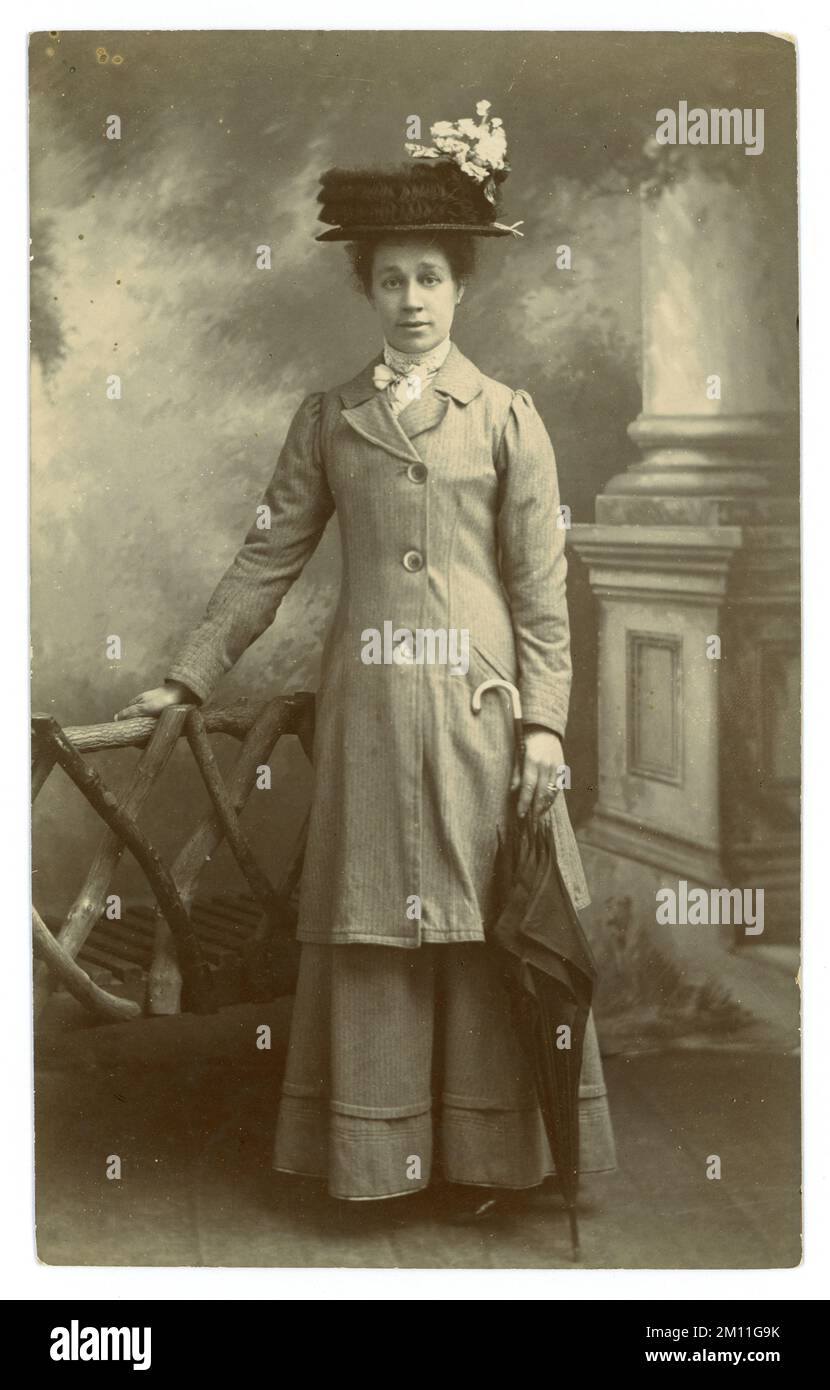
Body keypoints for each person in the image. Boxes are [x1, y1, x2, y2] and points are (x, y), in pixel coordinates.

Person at [116, 102, 617, 1222]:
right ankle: (377, 1160)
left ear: (459, 286)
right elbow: (265, 558)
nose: (410, 300)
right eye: (390, 280)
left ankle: (490, 1164)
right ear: (367, 291)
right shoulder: (328, 420)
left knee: (486, 927)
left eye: (430, 278)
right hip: (372, 713)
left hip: (482, 716)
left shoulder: (505, 420)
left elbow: (543, 595)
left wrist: (544, 726)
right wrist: (189, 674)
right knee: (376, 925)